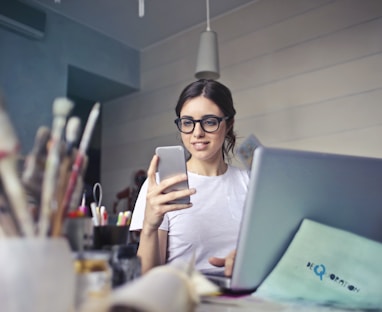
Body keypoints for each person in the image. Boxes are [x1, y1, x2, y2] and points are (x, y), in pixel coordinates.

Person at [130, 79, 249, 276]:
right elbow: (147, 277)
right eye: (187, 123)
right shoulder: (161, 186)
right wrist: (150, 226)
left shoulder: (250, 182)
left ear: (228, 124)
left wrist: (247, 261)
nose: (197, 133)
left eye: (209, 122)